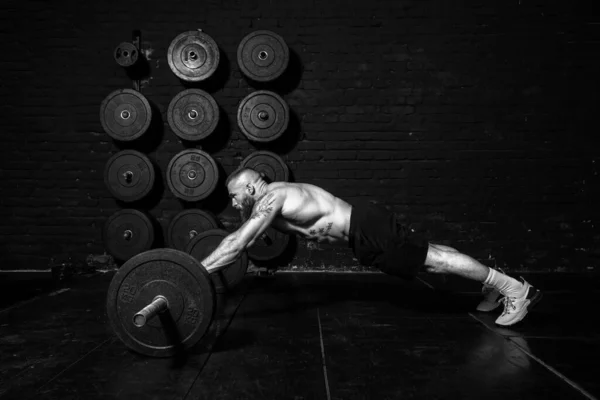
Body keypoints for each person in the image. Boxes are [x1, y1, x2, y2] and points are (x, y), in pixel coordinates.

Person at [200, 168, 543, 326]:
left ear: (249, 188)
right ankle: (492, 287)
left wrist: (196, 273)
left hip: (365, 227)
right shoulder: (275, 195)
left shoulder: (272, 198)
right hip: (363, 231)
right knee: (431, 255)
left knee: (434, 261)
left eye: (233, 195)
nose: (232, 203)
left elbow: (238, 242)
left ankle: (514, 289)